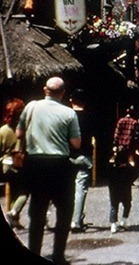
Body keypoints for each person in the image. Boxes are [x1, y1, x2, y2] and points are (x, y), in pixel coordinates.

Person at [16, 77, 81, 265]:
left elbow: (19, 133)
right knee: (64, 211)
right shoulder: (69, 113)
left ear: (45, 89)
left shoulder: (31, 107)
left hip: (35, 162)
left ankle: (34, 250)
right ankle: (58, 256)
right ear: (62, 93)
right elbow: (75, 143)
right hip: (59, 164)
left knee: (37, 211)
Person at [69, 89, 95, 233]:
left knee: (67, 189)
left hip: (67, 155)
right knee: (81, 190)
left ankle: (64, 218)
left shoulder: (66, 116)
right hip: (84, 155)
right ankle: (76, 221)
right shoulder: (90, 117)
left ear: (71, 100)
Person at [0, 98, 28, 229]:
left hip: (6, 163)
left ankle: (14, 221)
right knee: (24, 192)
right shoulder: (23, 130)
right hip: (19, 162)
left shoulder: (3, 130)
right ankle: (13, 213)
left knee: (11, 191)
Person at [107, 147, 137, 233]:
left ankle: (113, 225)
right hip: (126, 190)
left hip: (113, 190)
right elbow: (134, 175)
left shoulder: (112, 168)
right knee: (127, 205)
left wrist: (113, 156)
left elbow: (106, 174)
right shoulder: (128, 168)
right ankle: (124, 220)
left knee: (114, 206)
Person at [112, 106, 139, 171]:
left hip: (120, 145)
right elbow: (136, 136)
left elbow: (116, 134)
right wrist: (137, 147)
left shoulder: (121, 121)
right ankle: (131, 174)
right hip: (130, 145)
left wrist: (114, 144)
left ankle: (119, 173)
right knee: (131, 160)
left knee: (119, 159)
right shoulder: (134, 122)